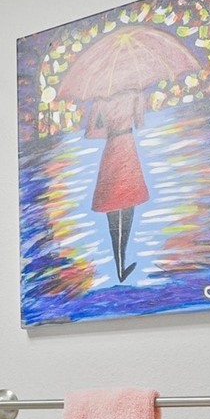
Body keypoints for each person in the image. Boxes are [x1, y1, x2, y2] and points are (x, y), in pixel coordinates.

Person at [85, 89, 149, 282]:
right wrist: (140, 104)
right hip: (127, 149)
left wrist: (111, 131)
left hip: (113, 150)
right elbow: (139, 123)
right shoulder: (133, 96)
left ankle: (119, 265)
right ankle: (121, 263)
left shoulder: (100, 100)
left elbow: (90, 133)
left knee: (113, 208)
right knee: (127, 204)